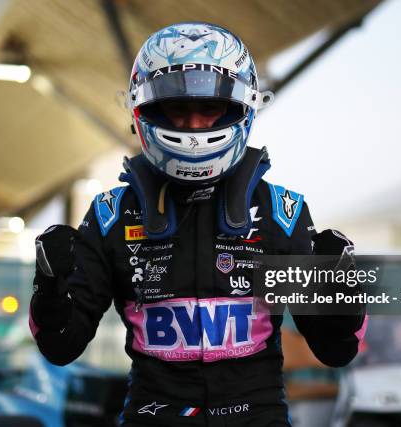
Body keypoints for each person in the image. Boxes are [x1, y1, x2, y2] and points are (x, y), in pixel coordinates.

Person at [29, 22, 366, 426]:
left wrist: (341, 293)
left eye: (209, 108)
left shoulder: (282, 212)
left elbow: (336, 351)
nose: (194, 127)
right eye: (178, 108)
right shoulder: (111, 215)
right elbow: (61, 346)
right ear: (144, 109)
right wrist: (49, 286)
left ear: (242, 108)